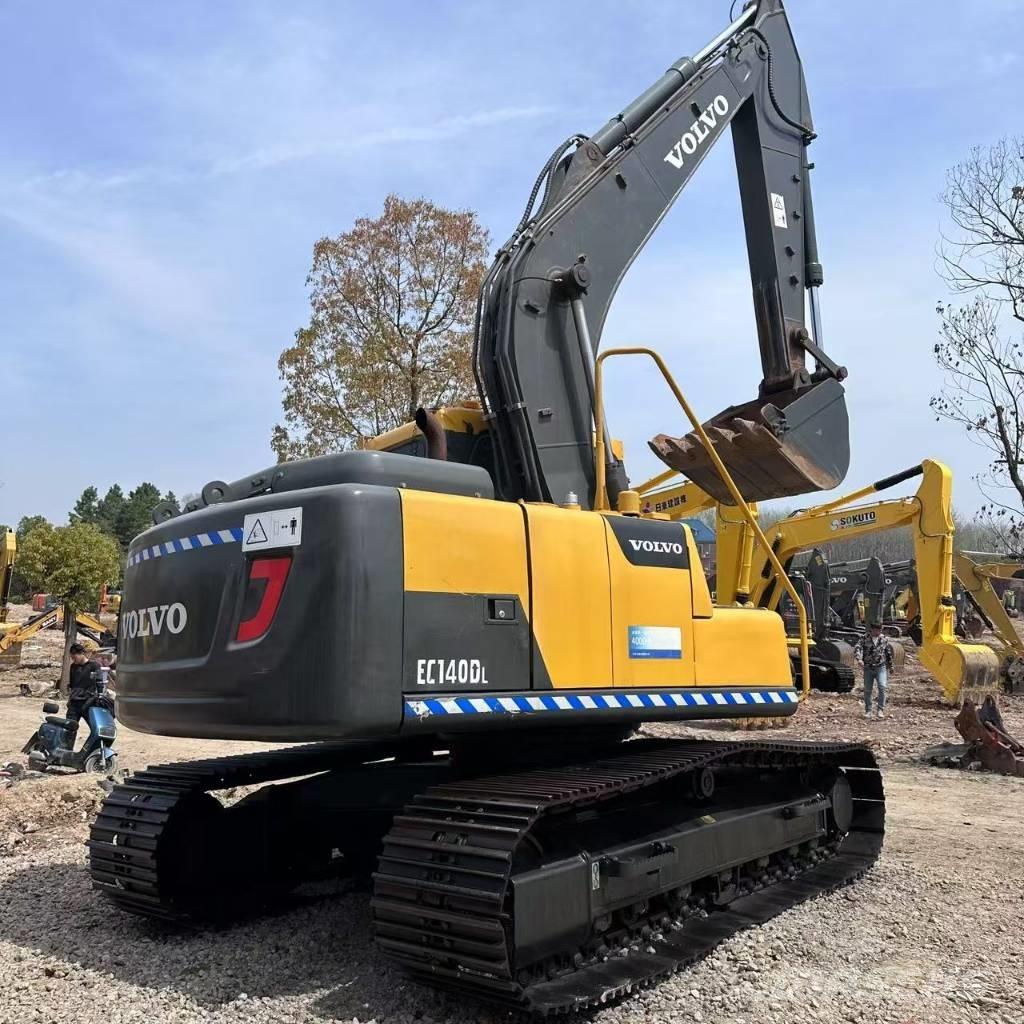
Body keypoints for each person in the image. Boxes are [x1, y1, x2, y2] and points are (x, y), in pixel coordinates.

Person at [66, 643, 104, 745]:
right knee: (69, 729)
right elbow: (72, 685)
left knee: (96, 729)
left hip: (88, 703)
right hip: (74, 704)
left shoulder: (94, 666)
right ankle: (66, 751)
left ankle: (94, 752)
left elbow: (99, 682)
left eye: (74, 657)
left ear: (82, 654)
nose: (73, 659)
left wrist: (100, 696)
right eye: (72, 657)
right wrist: (69, 700)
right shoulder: (73, 667)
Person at [855, 623, 894, 720]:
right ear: (871, 630)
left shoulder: (883, 639)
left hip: (881, 667)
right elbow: (858, 648)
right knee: (868, 690)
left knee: (882, 687)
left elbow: (887, 652)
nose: (878, 632)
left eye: (880, 630)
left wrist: (891, 666)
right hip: (868, 668)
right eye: (876, 630)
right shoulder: (864, 638)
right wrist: (859, 659)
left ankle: (880, 710)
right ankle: (868, 711)